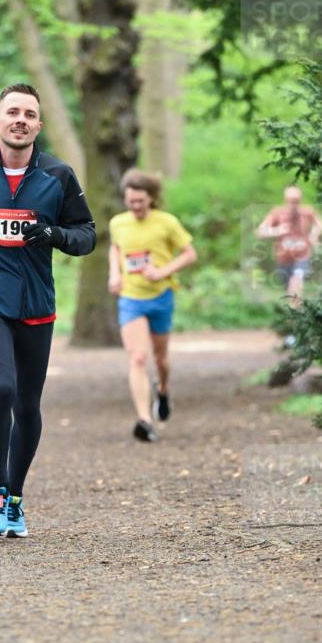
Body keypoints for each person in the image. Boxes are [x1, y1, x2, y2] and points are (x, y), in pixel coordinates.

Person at [0, 83, 95, 538]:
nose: (20, 119)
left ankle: (16, 500)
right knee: (1, 388)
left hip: (37, 305)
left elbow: (86, 234)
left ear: (39, 125)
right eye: (13, 112)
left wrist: (54, 236)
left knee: (28, 405)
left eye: (29, 113)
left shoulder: (58, 176)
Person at [108, 169, 197, 443]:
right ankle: (144, 420)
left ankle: (163, 388)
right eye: (130, 201)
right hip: (131, 298)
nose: (135, 206)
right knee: (137, 357)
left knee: (160, 359)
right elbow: (115, 248)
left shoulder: (166, 222)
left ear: (151, 198)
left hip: (160, 296)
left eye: (140, 201)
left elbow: (190, 254)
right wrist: (115, 273)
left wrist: (162, 271)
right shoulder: (118, 223)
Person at [255, 186, 322, 307]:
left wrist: (314, 235)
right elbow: (260, 231)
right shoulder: (277, 212)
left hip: (302, 255)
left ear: (300, 200)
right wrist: (277, 231)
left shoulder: (307, 212)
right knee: (288, 287)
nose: (294, 204)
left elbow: (319, 225)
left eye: (296, 201)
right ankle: (292, 313)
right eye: (291, 201)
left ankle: (296, 313)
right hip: (283, 258)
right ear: (285, 200)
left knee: (296, 281)